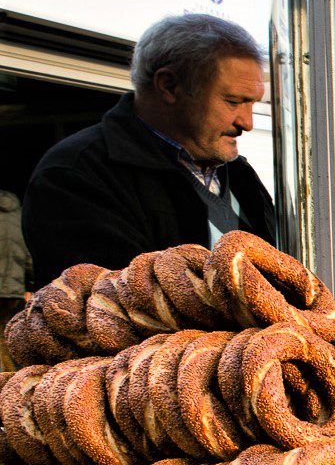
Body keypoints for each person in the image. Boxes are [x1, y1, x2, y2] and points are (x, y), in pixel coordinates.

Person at [23, 15, 276, 286]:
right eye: (233, 101)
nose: (246, 123)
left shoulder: (238, 173)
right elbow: (113, 309)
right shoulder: (74, 175)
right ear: (168, 85)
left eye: (252, 104)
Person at [0, 189, 31, 369]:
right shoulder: (19, 217)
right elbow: (28, 256)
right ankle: (10, 378)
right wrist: (30, 282)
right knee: (8, 336)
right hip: (13, 290)